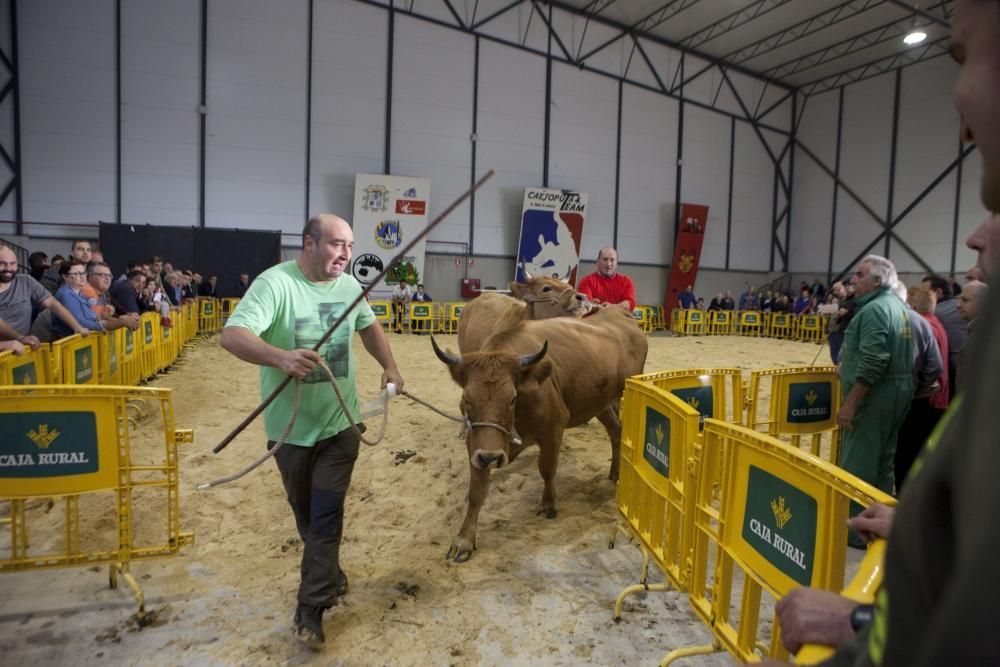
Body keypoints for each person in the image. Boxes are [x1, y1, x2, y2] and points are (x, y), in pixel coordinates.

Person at [764, 3, 1000, 662]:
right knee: (888, 468)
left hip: (879, 400)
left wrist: (848, 401)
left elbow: (970, 624)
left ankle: (849, 533)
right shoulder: (904, 310)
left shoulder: (874, 314)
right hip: (905, 396)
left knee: (859, 467)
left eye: (962, 55)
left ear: (870, 280)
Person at [220, 214, 403, 651]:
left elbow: (368, 326)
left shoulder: (348, 289)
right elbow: (232, 336)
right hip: (289, 430)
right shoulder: (275, 284)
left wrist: (390, 365)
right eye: (337, 244)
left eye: (350, 245)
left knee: (325, 515)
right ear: (309, 243)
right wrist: (280, 357)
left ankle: (311, 608)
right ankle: (331, 575)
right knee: (306, 516)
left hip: (342, 424)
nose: (345, 254)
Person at [837, 255, 913, 521]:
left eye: (859, 275)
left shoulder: (873, 311)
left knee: (859, 461)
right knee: (884, 460)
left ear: (877, 281)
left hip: (875, 396)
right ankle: (878, 519)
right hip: (898, 390)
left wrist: (851, 403)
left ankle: (856, 526)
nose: (854, 280)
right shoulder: (900, 306)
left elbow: (873, 361)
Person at [894, 284, 945, 492]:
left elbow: (932, 367)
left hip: (924, 399)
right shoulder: (935, 324)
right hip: (935, 399)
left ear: (912, 306)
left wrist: (913, 388)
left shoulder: (922, 325)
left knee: (907, 453)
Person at [0, 244, 89, 346]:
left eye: (12, 263)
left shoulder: (25, 281)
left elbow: (53, 304)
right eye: (2, 263)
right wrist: (20, 338)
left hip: (21, 349)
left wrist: (77, 327)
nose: (8, 268)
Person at [920, 274, 967, 400]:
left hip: (954, 371)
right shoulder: (959, 307)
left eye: (924, 292)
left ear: (938, 292)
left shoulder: (935, 313)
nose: (921, 297)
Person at [52, 260, 105, 340]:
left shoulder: (79, 292)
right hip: (65, 340)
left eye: (83, 273)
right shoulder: (65, 294)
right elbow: (81, 322)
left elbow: (90, 315)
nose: (82, 276)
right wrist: (103, 325)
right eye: (76, 274)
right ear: (65, 276)